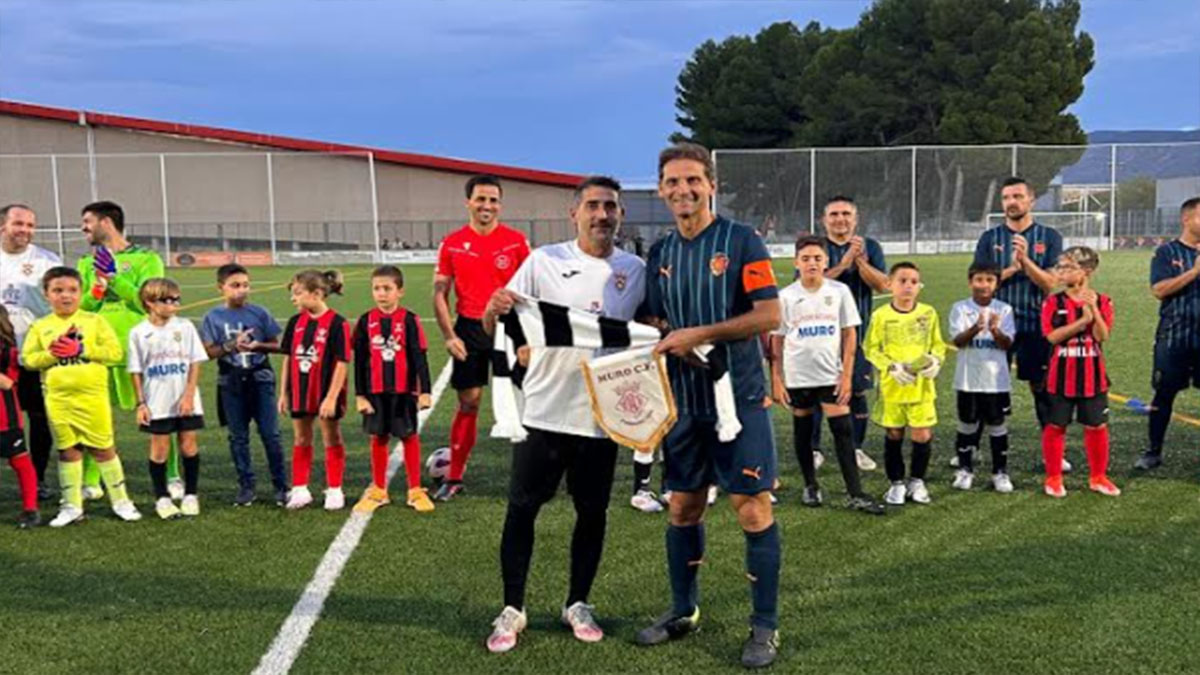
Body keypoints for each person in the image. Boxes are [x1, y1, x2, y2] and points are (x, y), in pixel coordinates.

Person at [480, 176, 646, 653]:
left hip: (602, 415)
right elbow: (496, 323)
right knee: (522, 509)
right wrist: (495, 310)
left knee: (591, 511)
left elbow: (650, 328)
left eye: (610, 206)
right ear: (574, 213)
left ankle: (578, 602)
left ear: (620, 215)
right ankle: (513, 606)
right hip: (545, 410)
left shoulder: (635, 269)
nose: (602, 214)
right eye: (593, 205)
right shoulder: (543, 261)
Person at [635, 144, 783, 669]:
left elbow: (768, 315)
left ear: (711, 184)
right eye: (672, 182)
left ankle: (764, 625)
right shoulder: (660, 253)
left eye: (693, 180)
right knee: (682, 506)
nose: (683, 190)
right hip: (684, 403)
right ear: (660, 190)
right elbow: (653, 320)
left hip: (737, 402)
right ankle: (682, 609)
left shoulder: (741, 240)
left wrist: (703, 332)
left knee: (752, 507)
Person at [432, 175, 531, 501]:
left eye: (493, 200)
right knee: (469, 401)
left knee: (524, 403)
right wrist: (449, 336)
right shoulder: (453, 242)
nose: (487, 205)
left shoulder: (516, 241)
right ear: (468, 202)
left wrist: (528, 337)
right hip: (470, 329)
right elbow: (440, 293)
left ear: (500, 204)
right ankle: (455, 477)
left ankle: (531, 474)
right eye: (481, 199)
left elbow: (532, 290)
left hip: (511, 329)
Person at [770, 235, 884, 515]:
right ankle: (811, 486)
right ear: (796, 262)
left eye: (817, 258)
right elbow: (777, 340)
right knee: (804, 433)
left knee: (842, 431)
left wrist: (846, 375)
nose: (812, 263)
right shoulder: (786, 296)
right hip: (798, 377)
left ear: (826, 261)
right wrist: (777, 378)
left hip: (830, 376)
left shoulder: (839, 291)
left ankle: (855, 493)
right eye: (806, 258)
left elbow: (849, 334)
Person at [24, 266, 141, 527]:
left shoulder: (94, 321)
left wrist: (83, 349)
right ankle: (72, 505)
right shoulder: (41, 326)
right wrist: (53, 355)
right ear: (46, 294)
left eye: (72, 290)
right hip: (59, 400)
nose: (66, 296)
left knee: (103, 449)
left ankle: (121, 501)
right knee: (68, 451)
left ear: (81, 292)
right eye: (58, 290)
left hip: (92, 397)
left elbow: (114, 352)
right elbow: (29, 360)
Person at [76, 200, 170, 499]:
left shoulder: (147, 258)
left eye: (87, 221)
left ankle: (173, 475)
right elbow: (84, 306)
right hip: (98, 349)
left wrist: (116, 276)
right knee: (96, 416)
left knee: (159, 415)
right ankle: (92, 480)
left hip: (141, 348)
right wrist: (98, 287)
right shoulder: (85, 264)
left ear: (106, 222)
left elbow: (147, 301)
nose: (83, 228)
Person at [973, 177, 1065, 471]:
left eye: (1017, 196)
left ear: (1031, 201)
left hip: (1036, 323)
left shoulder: (1050, 237)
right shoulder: (990, 239)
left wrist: (1027, 261)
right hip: (995, 324)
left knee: (1041, 387)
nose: (1011, 202)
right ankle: (970, 447)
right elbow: (982, 286)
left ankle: (1052, 452)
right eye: (1006, 197)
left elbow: (1051, 283)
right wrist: (1014, 267)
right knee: (985, 386)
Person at [200, 264, 289, 507]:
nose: (242, 290)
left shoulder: (259, 313)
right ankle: (247, 487)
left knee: (271, 435)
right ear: (221, 288)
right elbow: (208, 353)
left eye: (246, 285)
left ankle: (281, 486)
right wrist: (230, 346)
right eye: (235, 285)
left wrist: (257, 346)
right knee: (238, 437)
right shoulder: (212, 317)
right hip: (230, 381)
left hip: (260, 379)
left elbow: (279, 345)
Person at [351, 265, 434, 514]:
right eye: (376, 288)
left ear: (400, 291)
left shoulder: (410, 320)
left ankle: (415, 490)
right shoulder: (366, 321)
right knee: (379, 437)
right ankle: (378, 490)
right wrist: (360, 395)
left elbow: (419, 356)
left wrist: (425, 390)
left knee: (409, 436)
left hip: (404, 390)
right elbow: (360, 360)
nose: (381, 293)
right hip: (375, 391)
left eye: (387, 288)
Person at [812, 196, 887, 473]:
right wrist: (844, 263)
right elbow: (811, 284)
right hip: (818, 333)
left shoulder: (871, 246)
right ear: (824, 220)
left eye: (846, 214)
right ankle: (814, 449)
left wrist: (861, 263)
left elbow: (882, 285)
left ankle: (855, 448)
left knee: (856, 390)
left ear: (855, 219)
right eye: (834, 214)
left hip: (859, 332)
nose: (840, 219)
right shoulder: (816, 247)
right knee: (817, 390)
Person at [865, 262, 947, 506]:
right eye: (902, 281)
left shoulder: (928, 313)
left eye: (913, 282)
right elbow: (871, 348)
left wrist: (935, 360)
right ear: (890, 284)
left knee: (922, 435)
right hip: (893, 386)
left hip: (921, 388)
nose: (908, 286)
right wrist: (891, 367)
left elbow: (938, 344)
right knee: (894, 433)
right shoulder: (881, 315)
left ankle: (917, 481)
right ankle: (896, 483)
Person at [1040, 247, 1120, 498]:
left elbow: (1102, 336)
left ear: (1086, 271)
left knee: (1097, 427)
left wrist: (1093, 311)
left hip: (1093, 377)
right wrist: (1081, 322)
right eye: (1060, 267)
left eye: (1067, 267)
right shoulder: (1053, 302)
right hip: (1060, 377)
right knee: (1055, 426)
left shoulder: (1103, 300)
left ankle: (1098, 477)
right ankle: (1053, 478)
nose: (1061, 272)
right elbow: (1052, 337)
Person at [127, 278, 207, 520]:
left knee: (189, 445)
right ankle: (162, 498)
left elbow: (195, 362)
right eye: (167, 300)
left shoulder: (185, 327)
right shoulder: (139, 333)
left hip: (186, 400)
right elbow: (136, 371)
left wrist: (189, 395)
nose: (173, 304)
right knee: (159, 448)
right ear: (150, 302)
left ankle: (191, 494)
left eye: (176, 299)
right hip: (157, 401)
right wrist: (141, 403)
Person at [0, 204, 61, 501]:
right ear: (3, 226)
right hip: (0, 361)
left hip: (34, 355)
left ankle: (36, 478)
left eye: (30, 225)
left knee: (38, 418)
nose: (25, 230)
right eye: (18, 223)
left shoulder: (46, 261)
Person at [279, 270, 351, 511]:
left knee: (331, 437)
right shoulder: (294, 322)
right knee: (301, 437)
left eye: (298, 293)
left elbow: (342, 362)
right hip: (300, 390)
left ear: (317, 293)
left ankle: (334, 489)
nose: (293, 299)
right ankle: (300, 488)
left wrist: (331, 397)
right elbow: (288, 358)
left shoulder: (337, 323)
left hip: (325, 391)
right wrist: (284, 393)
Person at [1137, 197, 1200, 470]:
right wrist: (1194, 273)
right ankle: (1153, 451)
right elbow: (1159, 290)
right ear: (1186, 219)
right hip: (1174, 337)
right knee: (1164, 395)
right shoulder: (1167, 253)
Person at [948, 263, 1016, 492]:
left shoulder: (1004, 309)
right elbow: (957, 341)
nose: (983, 285)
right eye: (979, 280)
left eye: (989, 280)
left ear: (996, 284)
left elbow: (1007, 344)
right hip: (967, 379)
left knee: (997, 424)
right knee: (967, 424)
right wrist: (976, 328)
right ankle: (965, 470)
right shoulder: (959, 308)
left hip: (996, 381)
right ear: (970, 282)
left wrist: (996, 331)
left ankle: (1000, 472)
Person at [0, 305, 40, 528]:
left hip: (6, 418)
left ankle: (30, 509)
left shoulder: (9, 352)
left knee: (20, 461)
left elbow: (7, 382)